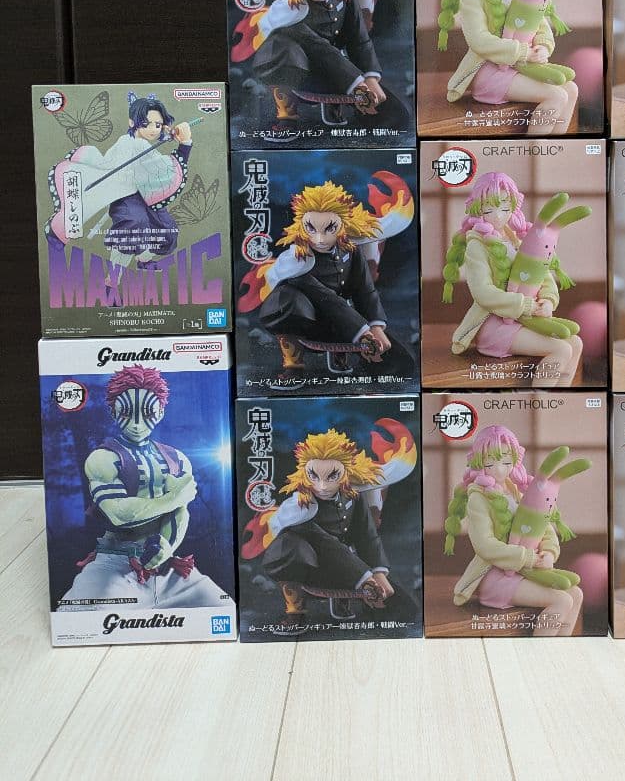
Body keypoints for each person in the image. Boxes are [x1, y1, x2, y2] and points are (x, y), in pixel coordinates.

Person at [58, 365, 228, 609]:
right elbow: (119, 514)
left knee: (219, 606)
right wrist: (174, 497)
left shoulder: (176, 458)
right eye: (127, 412)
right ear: (114, 412)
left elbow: (180, 512)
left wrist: (167, 546)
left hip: (166, 563)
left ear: (160, 412)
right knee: (83, 614)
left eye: (147, 412)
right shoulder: (103, 458)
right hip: (115, 563)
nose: (137, 423)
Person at [235, 0, 411, 130]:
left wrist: (371, 77)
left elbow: (359, 40)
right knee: (282, 50)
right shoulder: (290, 10)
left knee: (395, 116)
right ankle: (287, 115)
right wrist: (358, 84)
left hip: (339, 71)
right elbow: (318, 47)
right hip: (300, 73)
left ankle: (337, 106)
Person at [256, 426, 418, 633]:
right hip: (309, 568)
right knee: (290, 548)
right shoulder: (300, 509)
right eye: (314, 476)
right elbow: (324, 544)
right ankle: (295, 612)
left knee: (404, 608)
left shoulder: (353, 495)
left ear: (345, 473)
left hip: (350, 566)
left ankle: (344, 601)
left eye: (332, 476)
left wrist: (378, 572)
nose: (322, 486)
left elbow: (366, 536)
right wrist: (364, 577)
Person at [437, 0, 578, 134]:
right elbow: (478, 40)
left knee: (571, 89)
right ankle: (535, 149)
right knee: (556, 95)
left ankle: (556, 146)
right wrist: (523, 52)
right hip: (489, 72)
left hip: (519, 66)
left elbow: (537, 19)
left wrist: (542, 46)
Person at [441, 172, 583, 387]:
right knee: (561, 349)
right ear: (477, 208)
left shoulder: (518, 237)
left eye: (505, 209)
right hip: (494, 326)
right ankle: (540, 400)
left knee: (576, 342)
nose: (498, 216)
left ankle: (560, 397)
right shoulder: (476, 245)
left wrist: (548, 300)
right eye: (489, 210)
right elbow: (482, 292)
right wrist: (525, 305)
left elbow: (542, 273)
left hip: (526, 320)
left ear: (514, 207)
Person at [258, 179, 412, 374]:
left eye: (330, 228)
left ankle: (341, 355)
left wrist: (376, 326)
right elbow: (326, 298)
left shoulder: (350, 250)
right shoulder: (297, 262)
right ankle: (293, 365)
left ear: (343, 226)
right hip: (306, 324)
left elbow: (365, 290)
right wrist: (363, 332)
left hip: (344, 322)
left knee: (399, 363)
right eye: (311, 229)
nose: (320, 239)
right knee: (288, 301)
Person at [444, 425, 583, 636]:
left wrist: (549, 552)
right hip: (495, 577)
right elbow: (484, 545)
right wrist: (528, 557)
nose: (500, 470)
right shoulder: (478, 498)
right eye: (490, 463)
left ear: (515, 461)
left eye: (507, 462)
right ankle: (541, 653)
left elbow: (543, 526)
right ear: (479, 462)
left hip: (524, 571)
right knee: (562, 600)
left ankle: (561, 648)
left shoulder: (517, 490)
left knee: (576, 594)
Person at [46, 91, 193, 272]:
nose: (153, 129)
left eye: (157, 125)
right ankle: (113, 280)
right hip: (125, 195)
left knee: (166, 229)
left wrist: (173, 135)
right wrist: (185, 145)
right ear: (132, 122)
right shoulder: (129, 143)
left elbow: (156, 165)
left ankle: (143, 260)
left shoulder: (143, 143)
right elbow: (162, 168)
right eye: (146, 124)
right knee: (134, 225)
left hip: (146, 194)